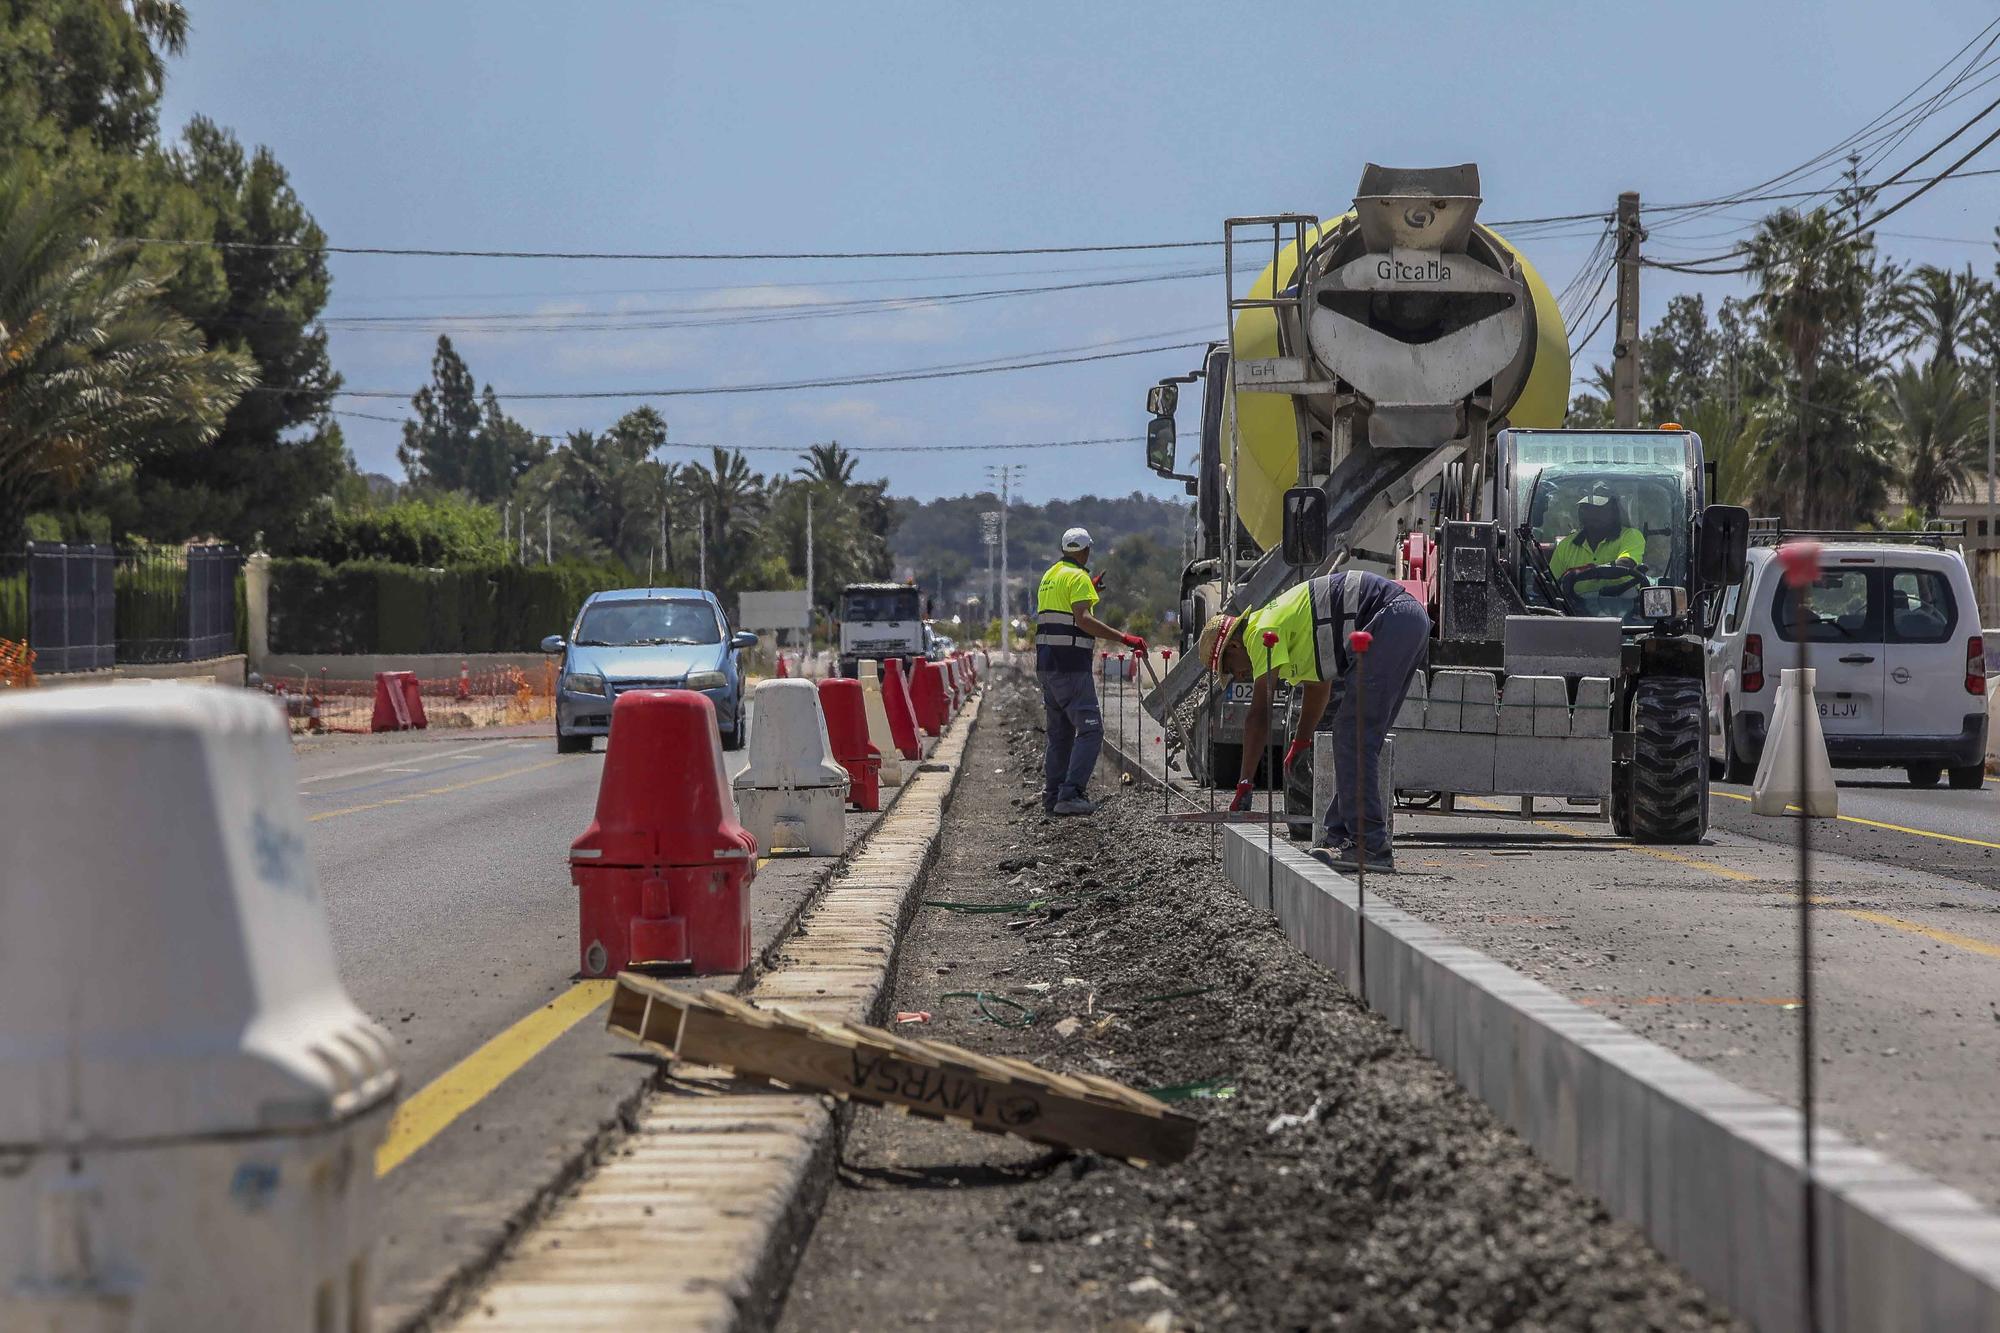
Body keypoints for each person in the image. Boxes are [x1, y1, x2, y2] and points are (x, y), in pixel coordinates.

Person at [1195, 569, 1429, 872]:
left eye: (1230, 668)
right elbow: (1318, 685)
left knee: (1352, 733)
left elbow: (1259, 715)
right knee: (1357, 735)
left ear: (1235, 647)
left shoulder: (1259, 632)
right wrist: (1301, 741)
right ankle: (1340, 836)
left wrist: (1244, 783)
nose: (1238, 675)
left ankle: (1371, 845)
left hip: (1391, 618)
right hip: (1404, 621)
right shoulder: (1287, 627)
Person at [1035, 526, 1148, 816]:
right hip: (1071, 665)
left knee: (1060, 734)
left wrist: (1090, 589)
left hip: (1047, 665)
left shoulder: (1051, 576)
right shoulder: (1079, 577)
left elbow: (1064, 609)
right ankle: (1071, 794)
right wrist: (1124, 638)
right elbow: (1083, 619)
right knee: (1091, 730)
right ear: (1086, 551)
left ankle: (1052, 797)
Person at [1547, 485, 1645, 595]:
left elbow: (1625, 564)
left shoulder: (1631, 536)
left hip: (1624, 607)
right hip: (1574, 610)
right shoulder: (1566, 545)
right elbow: (1551, 584)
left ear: (1613, 511)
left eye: (1599, 508)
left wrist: (1583, 572)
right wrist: (1540, 581)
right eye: (1587, 507)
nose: (1592, 513)